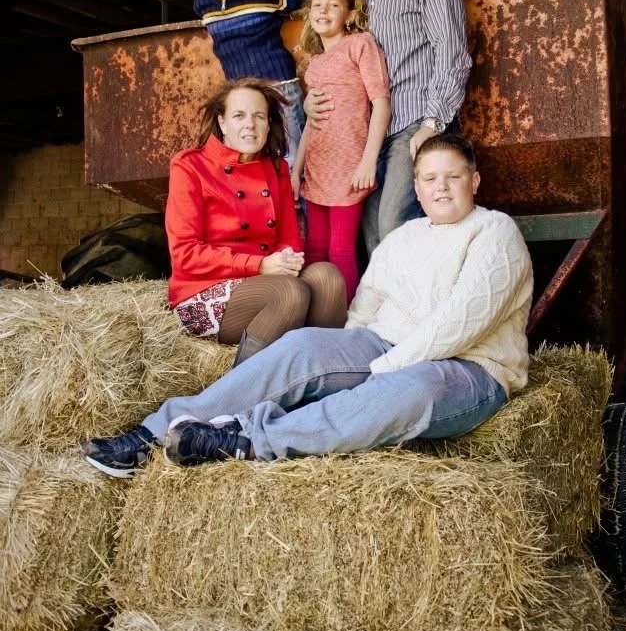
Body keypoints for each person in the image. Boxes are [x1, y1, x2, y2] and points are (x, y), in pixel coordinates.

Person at [82, 134, 533, 478]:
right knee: (303, 347)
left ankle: (247, 441)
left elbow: (459, 325)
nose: (441, 188)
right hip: (388, 347)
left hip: (468, 367)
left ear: (473, 180)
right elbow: (366, 305)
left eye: (452, 177)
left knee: (408, 391)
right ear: (416, 184)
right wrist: (349, 353)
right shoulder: (404, 237)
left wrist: (375, 372)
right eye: (430, 179)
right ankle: (155, 433)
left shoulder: (495, 233)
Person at [304, 0, 472, 255]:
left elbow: (451, 49)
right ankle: (394, 315)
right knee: (374, 242)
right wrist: (309, 104)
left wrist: (434, 122)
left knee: (394, 224)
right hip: (366, 136)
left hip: (413, 123)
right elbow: (339, 61)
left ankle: (426, 312)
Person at [163, 77, 346, 366]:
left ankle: (321, 379)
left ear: (268, 123)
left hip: (266, 279)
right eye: (239, 116)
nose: (250, 124)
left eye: (259, 116)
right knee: (290, 292)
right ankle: (240, 393)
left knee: (327, 276)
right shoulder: (191, 166)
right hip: (203, 291)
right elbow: (185, 254)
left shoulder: (276, 168)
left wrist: (285, 260)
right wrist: (259, 266)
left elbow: (289, 238)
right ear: (222, 123)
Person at [291, 0, 390, 304]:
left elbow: (380, 103)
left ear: (348, 14)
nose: (324, 11)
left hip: (350, 166)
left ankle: (348, 323)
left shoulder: (360, 45)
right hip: (318, 166)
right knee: (316, 249)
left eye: (333, 5)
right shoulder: (314, 65)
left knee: (341, 250)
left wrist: (367, 161)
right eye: (317, 5)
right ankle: (318, 316)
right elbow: (311, 123)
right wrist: (296, 171)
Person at [194, 0, 306, 169]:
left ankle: (297, 208)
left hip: (278, 88)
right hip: (241, 95)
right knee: (251, 164)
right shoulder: (202, 2)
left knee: (289, 163)